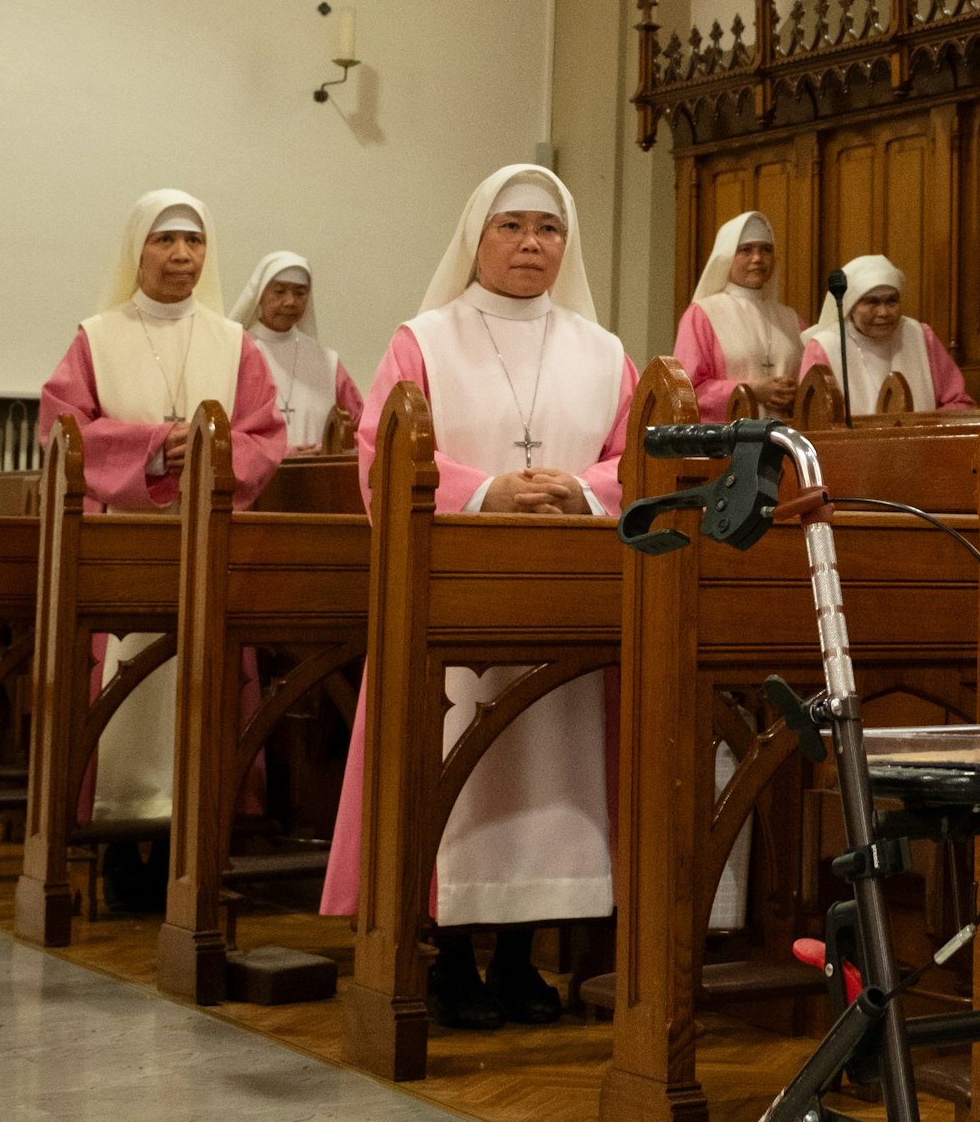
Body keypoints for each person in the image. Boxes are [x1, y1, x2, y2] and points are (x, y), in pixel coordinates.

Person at [319, 166, 635, 1033]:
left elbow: (637, 457)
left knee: (547, 771)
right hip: (452, 595)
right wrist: (488, 489)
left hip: (565, 598)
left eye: (548, 229)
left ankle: (519, 959)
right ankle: (448, 956)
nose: (532, 243)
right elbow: (383, 451)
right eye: (513, 227)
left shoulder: (604, 352)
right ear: (477, 238)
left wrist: (581, 489)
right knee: (459, 760)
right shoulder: (423, 339)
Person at [39, 191, 285, 902]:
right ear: (136, 251)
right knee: (129, 690)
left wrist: (209, 451)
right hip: (125, 547)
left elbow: (266, 437)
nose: (181, 256)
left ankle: (192, 845)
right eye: (165, 241)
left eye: (194, 242)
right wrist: (152, 449)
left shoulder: (234, 344)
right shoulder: (97, 335)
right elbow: (62, 429)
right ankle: (119, 854)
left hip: (208, 540)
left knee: (202, 690)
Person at [797, 255, 971, 417]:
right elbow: (813, 417)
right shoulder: (825, 346)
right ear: (851, 306)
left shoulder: (920, 336)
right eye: (872, 302)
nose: (884, 312)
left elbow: (957, 402)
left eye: (891, 301)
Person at [674, 212, 804, 418]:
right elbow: (687, 392)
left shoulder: (791, 319)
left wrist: (795, 394)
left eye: (766, 250)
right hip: (725, 443)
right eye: (746, 250)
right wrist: (751, 390)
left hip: (786, 441)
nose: (758, 258)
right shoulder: (702, 314)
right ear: (726, 257)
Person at [230, 250, 363, 449]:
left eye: (300, 293)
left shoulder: (326, 361)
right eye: (280, 291)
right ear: (260, 294)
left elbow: (361, 426)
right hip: (256, 478)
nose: (290, 301)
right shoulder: (237, 351)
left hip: (317, 476)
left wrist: (330, 447)